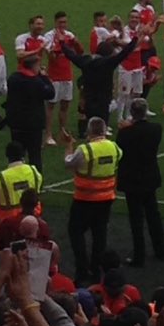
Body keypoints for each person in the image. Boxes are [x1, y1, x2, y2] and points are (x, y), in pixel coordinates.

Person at [63, 116, 122, 284]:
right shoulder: (115, 148)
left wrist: (69, 145)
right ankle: (96, 270)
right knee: (100, 234)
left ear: (89, 131)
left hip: (84, 199)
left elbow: (69, 164)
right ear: (104, 131)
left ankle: (82, 268)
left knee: (76, 232)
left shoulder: (85, 150)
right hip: (106, 199)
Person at [116, 97, 164, 266]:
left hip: (132, 179)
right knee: (153, 214)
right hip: (150, 176)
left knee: (136, 219)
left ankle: (139, 256)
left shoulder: (125, 133)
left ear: (131, 113)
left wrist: (125, 128)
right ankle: (161, 250)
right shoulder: (156, 129)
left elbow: (120, 149)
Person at [62, 31, 138, 130]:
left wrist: (62, 44)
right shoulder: (108, 63)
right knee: (102, 126)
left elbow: (71, 55)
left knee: (91, 126)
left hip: (89, 99)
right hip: (103, 100)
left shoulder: (85, 61)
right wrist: (135, 38)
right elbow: (124, 53)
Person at [3, 55, 55, 171]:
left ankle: (15, 177)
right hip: (32, 124)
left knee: (17, 154)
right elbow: (51, 93)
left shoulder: (13, 78)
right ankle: (36, 182)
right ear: (34, 66)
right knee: (34, 155)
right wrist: (44, 77)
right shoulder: (36, 82)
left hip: (16, 122)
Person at [43, 11, 83, 147]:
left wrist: (76, 43)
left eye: (65, 22)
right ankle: (48, 134)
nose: (63, 25)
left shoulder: (69, 35)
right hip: (54, 76)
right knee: (50, 105)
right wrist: (60, 44)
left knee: (65, 104)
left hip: (67, 75)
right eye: (60, 22)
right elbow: (52, 58)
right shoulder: (48, 37)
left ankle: (62, 131)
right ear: (55, 23)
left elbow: (80, 53)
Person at [0, 142, 43, 222]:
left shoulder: (1, 178)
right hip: (33, 219)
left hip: (8, 224)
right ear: (23, 155)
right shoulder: (34, 171)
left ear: (7, 156)